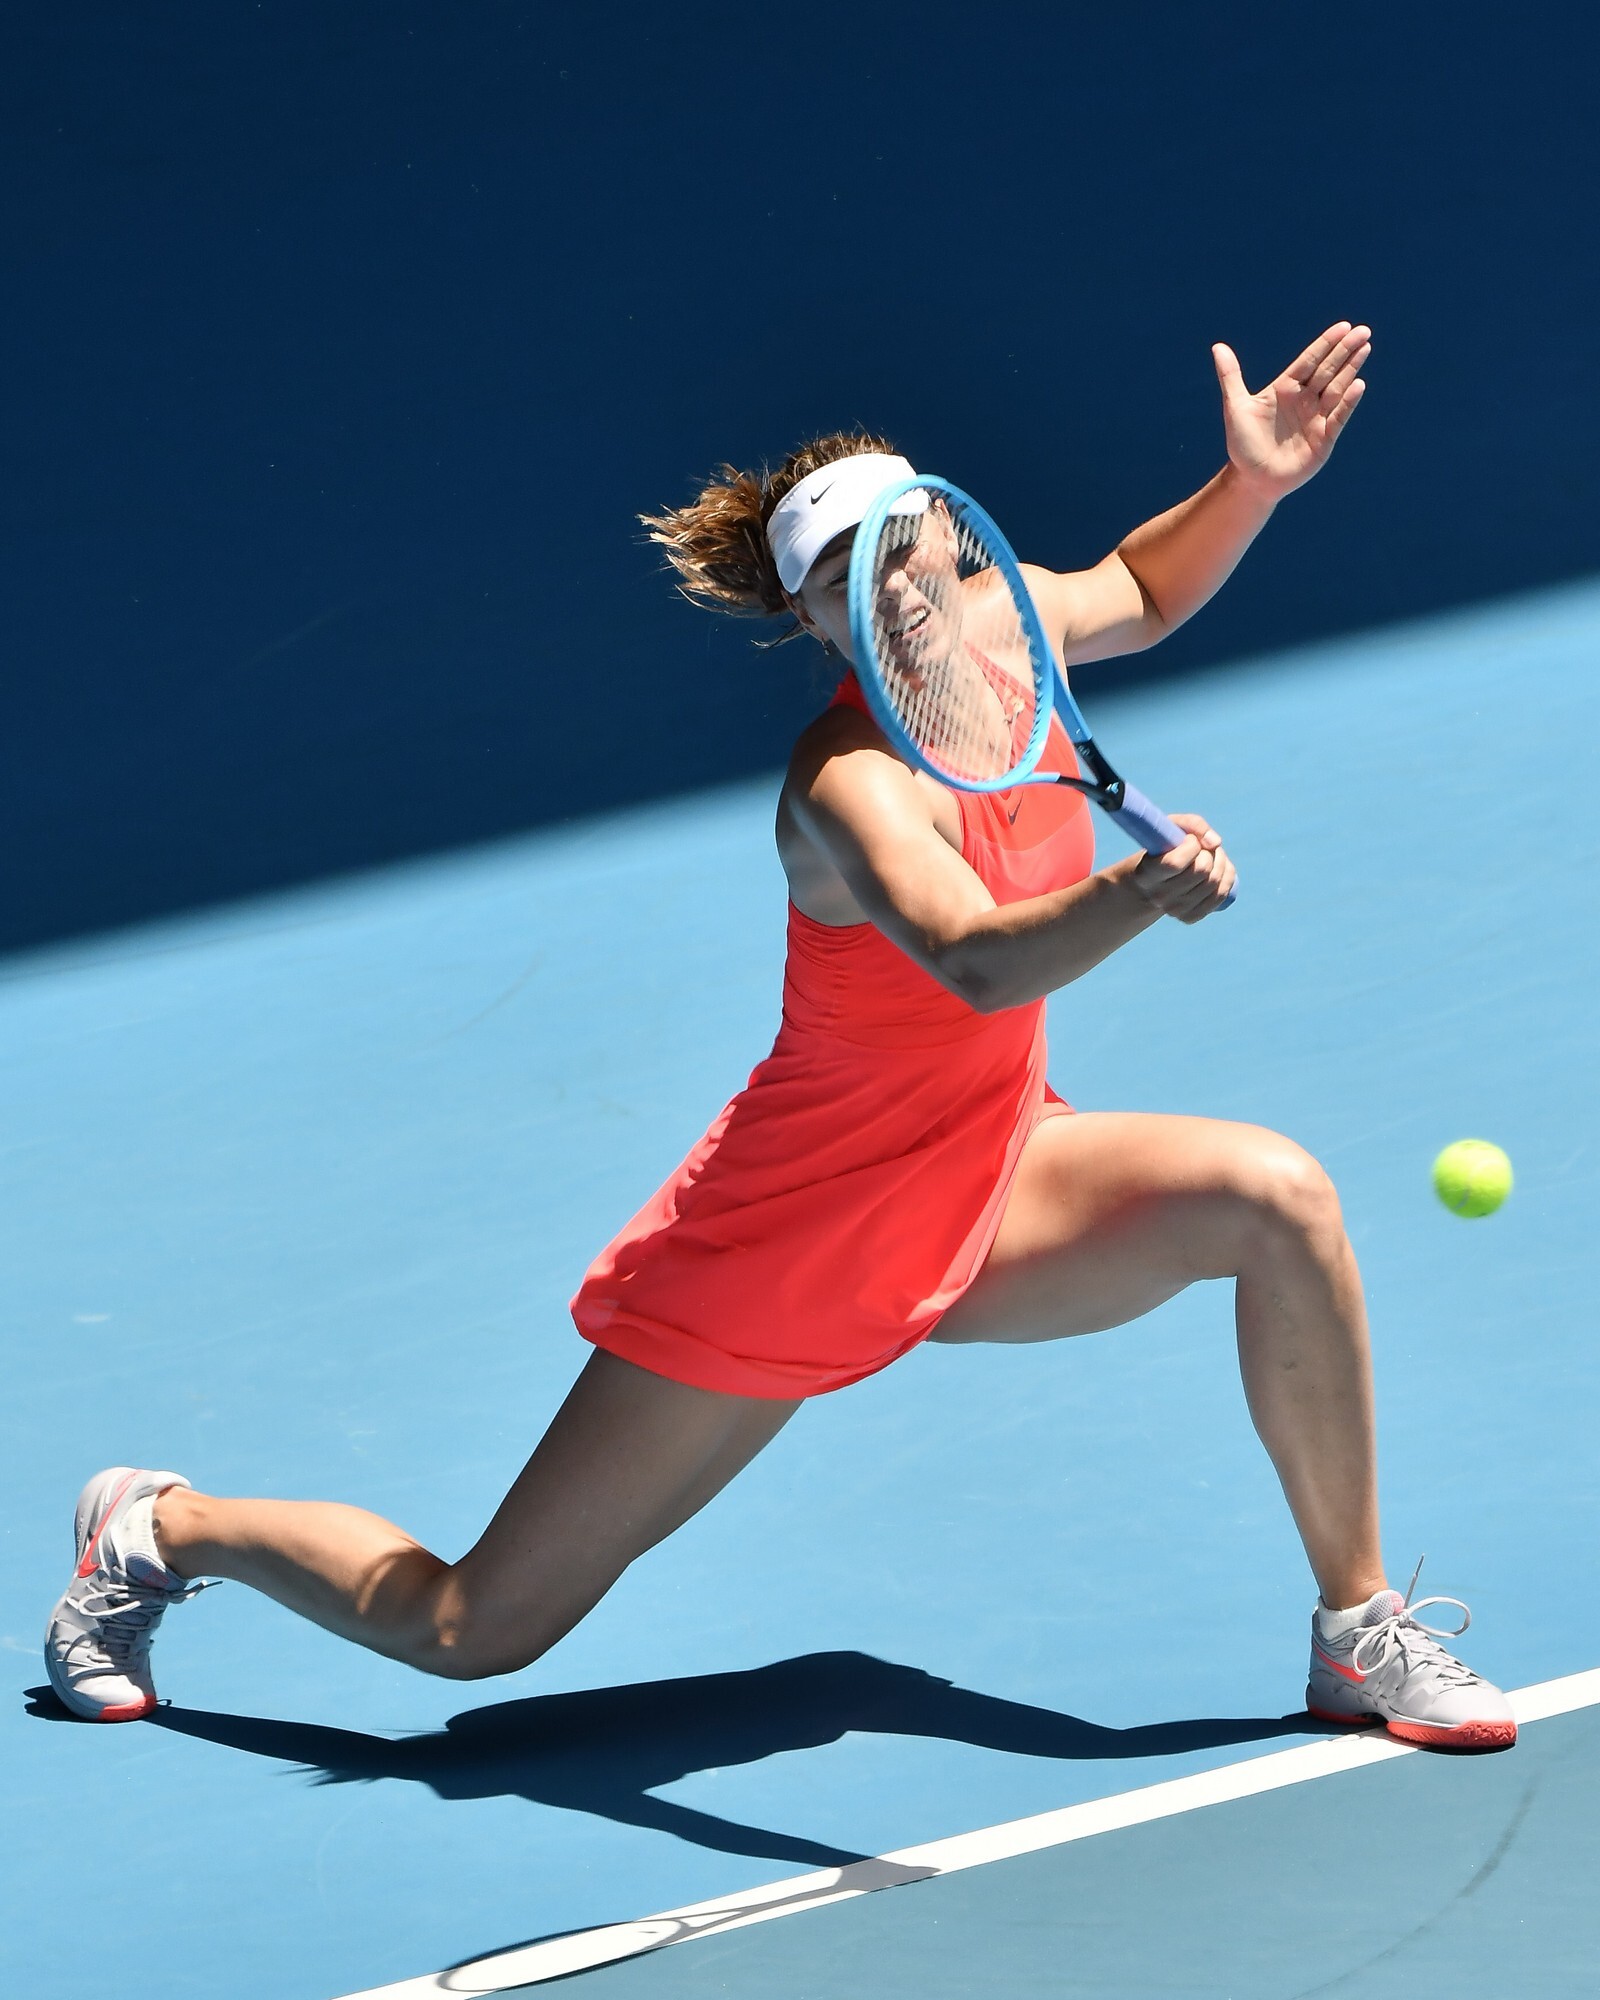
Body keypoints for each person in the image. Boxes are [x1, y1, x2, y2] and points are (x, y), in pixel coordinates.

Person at [45, 322, 1515, 1749]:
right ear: (807, 621)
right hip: (797, 1224)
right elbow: (972, 959)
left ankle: (1357, 1628)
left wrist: (1250, 484)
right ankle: (161, 1527)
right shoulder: (847, 781)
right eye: (836, 584)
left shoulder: (1010, 625)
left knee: (1277, 1194)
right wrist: (1138, 891)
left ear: (948, 544)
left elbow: (1138, 583)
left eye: (899, 553)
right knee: (473, 1629)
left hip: (993, 1163)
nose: (887, 594)